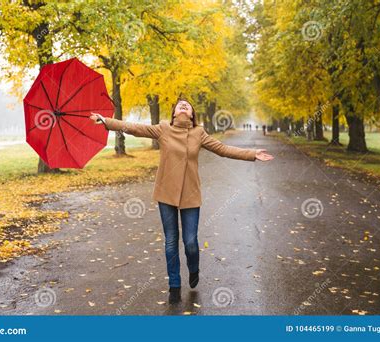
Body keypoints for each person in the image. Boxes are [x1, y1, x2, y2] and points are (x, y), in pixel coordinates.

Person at [90, 98, 274, 304]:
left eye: (187, 105)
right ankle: (174, 286)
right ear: (174, 113)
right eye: (180, 105)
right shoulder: (163, 129)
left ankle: (194, 268)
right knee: (170, 241)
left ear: (193, 113)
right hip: (166, 193)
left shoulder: (199, 133)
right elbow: (133, 127)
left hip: (190, 194)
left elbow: (223, 149)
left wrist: (252, 154)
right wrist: (105, 120)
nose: (184, 105)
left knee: (190, 242)